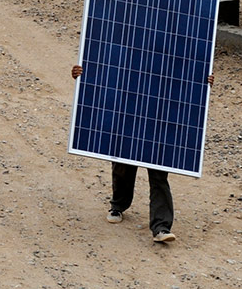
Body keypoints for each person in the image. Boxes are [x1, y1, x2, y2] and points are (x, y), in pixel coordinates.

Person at [71, 64, 214, 244]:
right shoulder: (127, 46)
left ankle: (161, 227)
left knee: (159, 173)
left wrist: (202, 82)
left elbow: (184, 71)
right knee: (123, 164)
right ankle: (118, 205)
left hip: (160, 116)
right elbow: (106, 69)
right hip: (128, 111)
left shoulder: (171, 50)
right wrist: (84, 75)